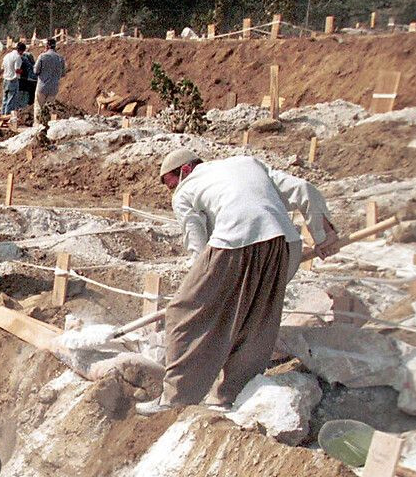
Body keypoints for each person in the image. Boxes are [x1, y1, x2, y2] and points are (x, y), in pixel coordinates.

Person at [136, 149, 340, 416]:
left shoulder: (186, 189)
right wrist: (323, 235)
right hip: (282, 244)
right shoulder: (248, 163)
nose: (172, 191)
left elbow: (195, 239)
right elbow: (303, 189)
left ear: (185, 170)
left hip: (232, 240)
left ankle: (176, 399)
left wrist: (202, 279)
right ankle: (229, 398)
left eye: (171, 183)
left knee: (184, 312)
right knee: (257, 321)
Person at [33, 38, 65, 125]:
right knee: (49, 108)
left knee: (38, 107)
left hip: (42, 86)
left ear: (47, 46)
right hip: (53, 88)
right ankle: (46, 126)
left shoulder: (42, 56)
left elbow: (35, 71)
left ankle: (37, 126)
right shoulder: (60, 58)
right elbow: (63, 73)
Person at [0, 42, 24, 124]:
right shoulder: (18, 57)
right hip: (12, 80)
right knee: (11, 99)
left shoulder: (7, 56)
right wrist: (23, 71)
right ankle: (7, 117)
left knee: (5, 99)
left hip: (5, 79)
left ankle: (2, 115)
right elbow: (17, 69)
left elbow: (2, 67)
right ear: (21, 51)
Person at [18, 45, 37, 126]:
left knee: (25, 99)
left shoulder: (23, 58)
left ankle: (24, 115)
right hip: (31, 80)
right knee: (30, 100)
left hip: (26, 80)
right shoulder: (28, 58)